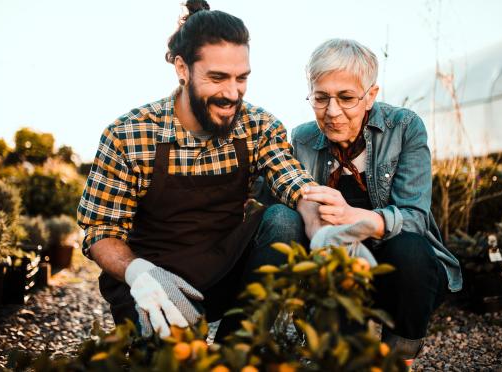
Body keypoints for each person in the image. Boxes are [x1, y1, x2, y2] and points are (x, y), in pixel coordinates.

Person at [77, 0, 321, 342]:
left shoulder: (257, 126)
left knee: (285, 219)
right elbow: (99, 230)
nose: (232, 93)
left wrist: (318, 225)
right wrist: (138, 273)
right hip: (153, 278)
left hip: (224, 271)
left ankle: (239, 348)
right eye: (217, 78)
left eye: (241, 78)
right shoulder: (129, 135)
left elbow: (295, 184)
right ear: (182, 68)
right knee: (167, 363)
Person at [293, 38, 463, 363]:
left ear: (370, 95)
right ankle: (339, 354)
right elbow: (282, 194)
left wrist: (350, 217)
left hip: (399, 271)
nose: (332, 112)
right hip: (339, 262)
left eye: (346, 98)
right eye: (320, 98)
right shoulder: (301, 138)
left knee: (410, 250)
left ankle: (398, 360)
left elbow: (414, 217)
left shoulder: (404, 127)